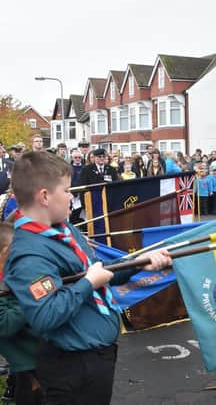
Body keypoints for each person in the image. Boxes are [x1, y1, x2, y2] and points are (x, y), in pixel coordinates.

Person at [3, 151, 172, 404]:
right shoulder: (29, 253)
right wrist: (88, 283)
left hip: (96, 358)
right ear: (45, 196)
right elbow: (45, 315)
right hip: (73, 368)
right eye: (67, 190)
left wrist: (137, 264)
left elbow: (95, 268)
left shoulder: (63, 229)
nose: (72, 197)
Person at [0, 222, 43, 405]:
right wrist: (31, 296)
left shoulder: (14, 275)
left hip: (36, 364)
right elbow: (5, 323)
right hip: (30, 365)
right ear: (6, 251)